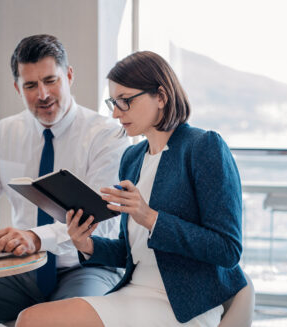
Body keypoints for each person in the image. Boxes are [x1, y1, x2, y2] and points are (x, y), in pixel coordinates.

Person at [15, 51, 247, 327]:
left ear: (161, 96)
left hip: (181, 306)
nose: (115, 113)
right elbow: (131, 252)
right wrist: (86, 244)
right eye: (113, 102)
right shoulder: (133, 158)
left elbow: (228, 249)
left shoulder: (204, 147)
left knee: (34, 321)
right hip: (132, 293)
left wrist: (150, 217)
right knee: (30, 318)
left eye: (125, 101)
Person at [0, 34, 130, 327]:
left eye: (51, 80)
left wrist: (36, 237)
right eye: (30, 85)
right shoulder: (4, 133)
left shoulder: (106, 135)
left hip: (86, 265)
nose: (42, 94)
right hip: (23, 268)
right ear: (17, 87)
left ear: (69, 76)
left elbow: (101, 221)